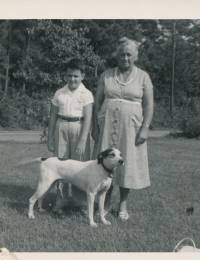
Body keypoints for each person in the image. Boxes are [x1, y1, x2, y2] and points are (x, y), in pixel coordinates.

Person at [92, 37, 154, 221]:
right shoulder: (107, 75)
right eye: (121, 54)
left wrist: (145, 129)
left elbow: (149, 105)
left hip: (131, 128)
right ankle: (105, 202)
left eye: (128, 54)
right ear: (116, 56)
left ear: (135, 56)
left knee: (127, 164)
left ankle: (123, 205)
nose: (125, 58)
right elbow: (98, 102)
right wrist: (95, 126)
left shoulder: (143, 77)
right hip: (108, 124)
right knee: (106, 163)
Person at [47, 58, 94, 213]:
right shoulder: (59, 92)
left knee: (80, 166)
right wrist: (50, 137)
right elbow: (53, 116)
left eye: (76, 76)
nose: (72, 79)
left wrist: (82, 140)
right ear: (65, 76)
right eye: (69, 76)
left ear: (82, 76)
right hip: (61, 127)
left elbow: (88, 118)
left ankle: (80, 202)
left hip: (79, 127)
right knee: (60, 165)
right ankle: (60, 200)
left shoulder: (86, 94)